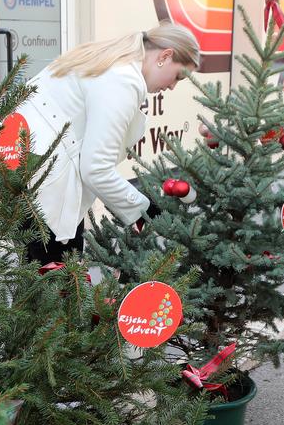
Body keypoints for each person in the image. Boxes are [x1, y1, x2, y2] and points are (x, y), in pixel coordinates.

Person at [14, 22, 200, 264]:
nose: (173, 86)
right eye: (178, 76)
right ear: (165, 56)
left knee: (45, 276)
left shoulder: (110, 62)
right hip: (36, 179)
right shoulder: (122, 80)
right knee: (56, 284)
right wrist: (145, 210)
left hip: (15, 161)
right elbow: (96, 169)